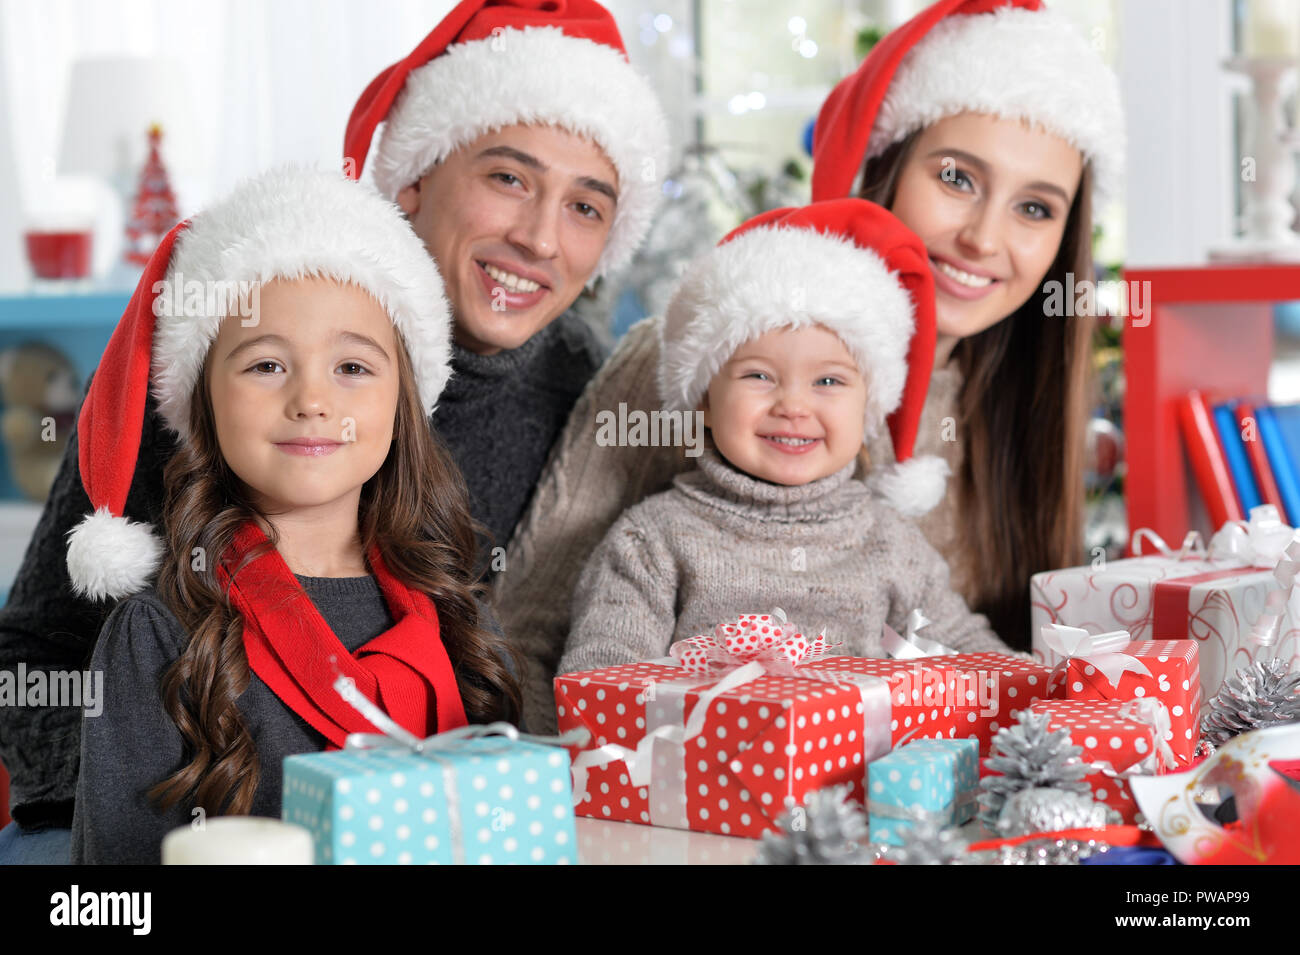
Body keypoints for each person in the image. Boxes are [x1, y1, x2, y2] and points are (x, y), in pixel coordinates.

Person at [0, 0, 669, 858]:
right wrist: (163, 781)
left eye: (586, 206)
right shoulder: (221, 333)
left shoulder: (585, 379)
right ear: (415, 175)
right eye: (508, 178)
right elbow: (35, 649)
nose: (540, 237)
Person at [497, 0, 1122, 732]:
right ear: (885, 164)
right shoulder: (701, 358)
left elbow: (969, 653)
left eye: (1036, 209)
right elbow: (528, 641)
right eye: (956, 177)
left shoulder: (1014, 403)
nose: (984, 237)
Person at [68, 167, 518, 864]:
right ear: (203, 403)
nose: (312, 399)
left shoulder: (459, 617)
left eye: (353, 368)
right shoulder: (156, 637)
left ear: (403, 403)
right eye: (267, 365)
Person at [560, 200, 1015, 675]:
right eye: (759, 375)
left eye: (829, 382)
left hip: (867, 750)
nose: (793, 407)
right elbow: (603, 677)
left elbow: (968, 649)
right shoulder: (651, 540)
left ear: (869, 408)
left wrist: (1039, 690)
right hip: (703, 747)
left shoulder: (891, 543)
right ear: (706, 403)